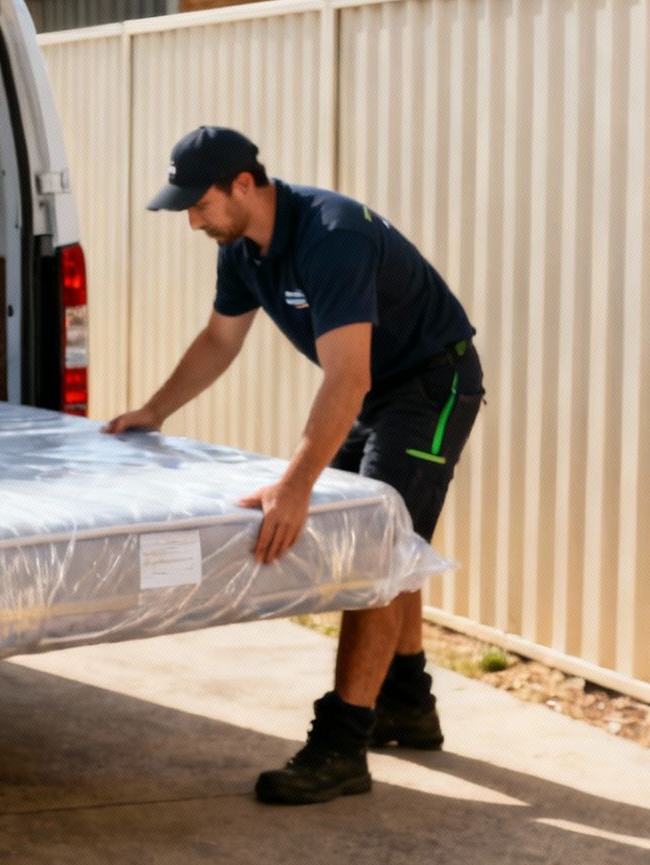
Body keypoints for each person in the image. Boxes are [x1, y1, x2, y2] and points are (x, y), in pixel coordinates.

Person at [103, 125, 483, 805]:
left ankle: (342, 747)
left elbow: (348, 377)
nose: (193, 221)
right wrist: (154, 410)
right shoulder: (243, 249)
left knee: (375, 546)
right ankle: (407, 703)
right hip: (377, 388)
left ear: (244, 184)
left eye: (200, 205)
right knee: (394, 537)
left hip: (430, 383)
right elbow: (219, 340)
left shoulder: (332, 237)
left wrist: (294, 486)